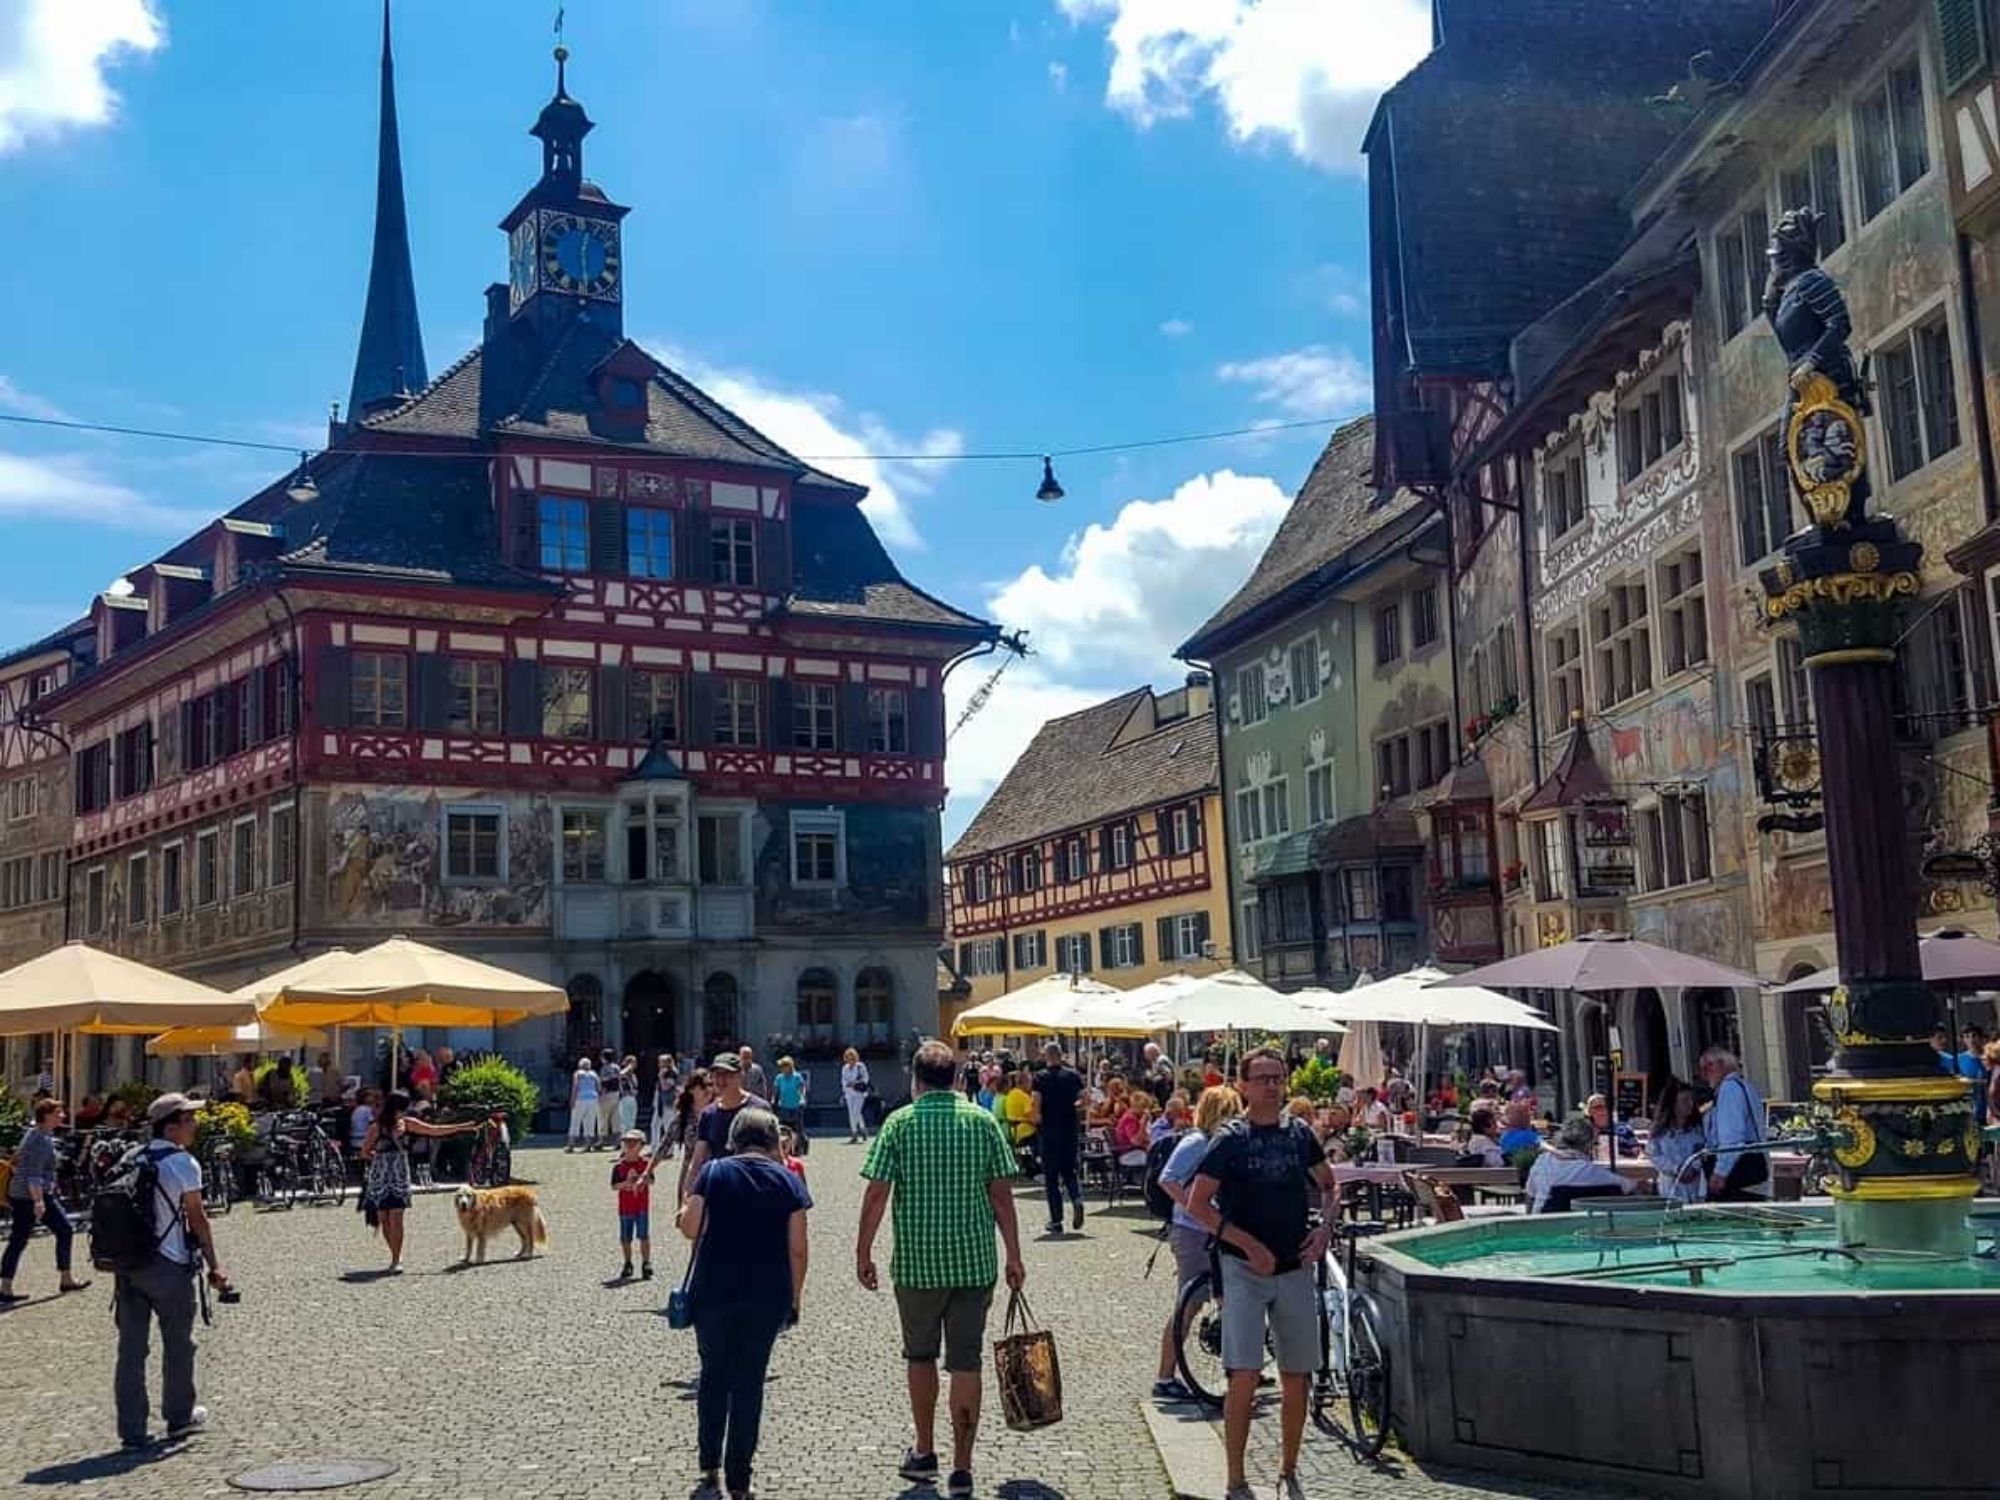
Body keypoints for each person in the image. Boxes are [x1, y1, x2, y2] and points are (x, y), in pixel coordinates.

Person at [857, 1040, 1024, 1499]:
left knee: (920, 1356)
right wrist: (1014, 1254)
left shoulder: (900, 1124)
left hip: (917, 1266)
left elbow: (876, 1194)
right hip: (973, 1264)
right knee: (966, 1362)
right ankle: (963, 1467)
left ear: (915, 1079)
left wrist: (863, 1252)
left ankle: (925, 1449)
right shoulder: (982, 1122)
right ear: (955, 1078)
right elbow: (1002, 1197)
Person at [1182, 1048, 1339, 1499]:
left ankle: (1288, 1468)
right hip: (1243, 1268)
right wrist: (1247, 1244)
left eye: (1278, 1077)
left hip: (1293, 1266)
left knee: (1297, 1374)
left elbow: (1330, 1184)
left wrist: (1324, 1229)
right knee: (1245, 1374)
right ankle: (1235, 1477)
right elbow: (1197, 1204)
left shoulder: (1300, 1134)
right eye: (1263, 1078)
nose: (1272, 1085)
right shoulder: (1230, 1139)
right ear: (1243, 1085)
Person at [682, 1107, 811, 1500]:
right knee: (750, 1382)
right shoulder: (788, 1181)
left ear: (733, 1140)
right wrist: (796, 1297)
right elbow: (798, 1249)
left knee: (713, 1375)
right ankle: (740, 1478)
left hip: (713, 1290)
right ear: (773, 1142)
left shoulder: (714, 1172)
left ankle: (709, 1463)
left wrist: (682, 1211)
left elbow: (690, 1227)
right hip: (766, 1294)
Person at [115, 1094, 231, 1448]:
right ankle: (179, 1417)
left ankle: (132, 1429)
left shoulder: (131, 1157)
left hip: (128, 1265)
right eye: (189, 1120)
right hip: (169, 1263)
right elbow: (198, 1218)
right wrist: (215, 1265)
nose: (194, 1126)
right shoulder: (183, 1163)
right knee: (179, 1344)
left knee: (131, 1350)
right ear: (171, 1127)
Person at [1152, 1084, 1242, 1401]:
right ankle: (1165, 1377)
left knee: (1231, 1298)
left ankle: (1240, 1368)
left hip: (1213, 1230)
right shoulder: (1197, 1141)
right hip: (1191, 1232)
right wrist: (1194, 1207)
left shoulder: (1218, 1143)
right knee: (1188, 1304)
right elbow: (1168, 1179)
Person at [359, 1089, 482, 1272]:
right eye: (403, 1108)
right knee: (384, 1219)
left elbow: (434, 1130)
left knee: (396, 1217)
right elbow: (364, 1152)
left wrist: (462, 1127)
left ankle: (396, 1260)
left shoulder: (407, 1123)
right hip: (381, 1177)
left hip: (400, 1176)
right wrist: (380, 1159)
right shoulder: (377, 1127)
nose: (405, 1111)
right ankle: (394, 1253)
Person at [1, 1097, 90, 1302]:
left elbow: (20, 1161)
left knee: (20, 1239)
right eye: (58, 1113)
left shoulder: (34, 1133)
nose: (62, 1116)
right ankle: (64, 1279)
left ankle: (6, 1285)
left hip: (22, 1193)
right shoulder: (40, 1140)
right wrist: (38, 1201)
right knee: (61, 1230)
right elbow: (34, 1174)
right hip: (30, 1195)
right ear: (46, 1116)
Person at [661, 1053, 769, 1202]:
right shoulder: (709, 1114)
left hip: (753, 1190)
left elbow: (774, 1155)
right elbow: (697, 1161)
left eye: (727, 1075)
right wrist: (687, 1196)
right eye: (717, 1075)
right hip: (719, 1192)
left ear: (740, 1075)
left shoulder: (759, 1108)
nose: (720, 1080)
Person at [1700, 1047, 1769, 1201]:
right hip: (1752, 1169)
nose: (1704, 1074)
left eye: (1708, 1066)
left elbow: (1732, 1136)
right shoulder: (1745, 1087)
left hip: (1735, 1175)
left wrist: (1720, 1172)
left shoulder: (1729, 1088)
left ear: (1722, 1064)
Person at [1526, 1116, 1635, 1213]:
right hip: (1587, 1225)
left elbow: (1530, 1196)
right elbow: (1628, 1186)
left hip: (1544, 1222)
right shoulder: (1591, 1172)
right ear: (1588, 1145)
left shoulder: (1543, 1161)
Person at [1031, 1042, 1086, 1234]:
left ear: (1046, 1056)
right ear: (1061, 1055)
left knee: (1052, 1177)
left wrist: (1035, 1118)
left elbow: (1036, 1102)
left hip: (1049, 1130)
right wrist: (1073, 1106)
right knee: (1070, 1170)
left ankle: (1056, 1220)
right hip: (1070, 1128)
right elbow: (1084, 1099)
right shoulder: (1073, 1075)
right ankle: (1077, 1199)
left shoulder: (1040, 1077)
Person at [1650, 1079, 1708, 1203]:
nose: (1690, 1104)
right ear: (1673, 1104)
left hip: (1695, 1189)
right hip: (1670, 1191)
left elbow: (1703, 1151)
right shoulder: (1660, 1132)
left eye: (1691, 1100)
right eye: (1685, 1100)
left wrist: (1693, 1168)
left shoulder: (1698, 1129)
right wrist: (1677, 1169)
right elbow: (1655, 1156)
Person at [663, 1070, 716, 1203]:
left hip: (714, 1172)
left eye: (711, 1085)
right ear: (692, 1089)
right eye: (703, 1085)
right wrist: (647, 1172)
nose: (708, 1089)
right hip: (689, 1175)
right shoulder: (683, 1118)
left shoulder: (719, 1113)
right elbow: (665, 1144)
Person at [611, 1129, 653, 1281]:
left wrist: (641, 1179)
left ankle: (646, 1263)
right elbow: (614, 1185)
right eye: (627, 1142)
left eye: (633, 1142)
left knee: (644, 1235)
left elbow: (651, 1180)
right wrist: (626, 1183)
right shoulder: (619, 1166)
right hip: (625, 1207)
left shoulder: (646, 1164)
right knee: (625, 1237)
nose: (629, 1145)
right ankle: (627, 1262)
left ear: (641, 1145)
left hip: (641, 1206)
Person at [772, 1056, 810, 1150]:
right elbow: (776, 1091)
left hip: (796, 1106)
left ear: (789, 1066)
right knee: (784, 1129)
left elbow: (802, 1089)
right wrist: (773, 1099)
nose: (781, 1068)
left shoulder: (797, 1077)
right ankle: (785, 1147)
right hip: (783, 1106)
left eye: (783, 1066)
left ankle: (801, 1146)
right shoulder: (779, 1078)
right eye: (781, 1067)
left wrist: (802, 1099)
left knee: (798, 1129)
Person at [1585, 1093, 1639, 1158]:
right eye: (1597, 1107)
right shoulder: (1584, 1132)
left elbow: (1636, 1152)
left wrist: (1620, 1152)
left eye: (1605, 1106)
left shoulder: (1625, 1129)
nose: (1601, 1110)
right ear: (1589, 1111)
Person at [568, 1056, 602, 1152]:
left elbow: (575, 1087)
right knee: (590, 1122)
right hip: (593, 1099)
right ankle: (588, 1144)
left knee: (575, 1121)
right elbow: (599, 1087)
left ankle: (571, 1144)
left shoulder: (578, 1073)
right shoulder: (594, 1074)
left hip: (581, 1098)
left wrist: (572, 1100)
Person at [650, 1053, 681, 1155]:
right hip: (660, 1103)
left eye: (661, 1062)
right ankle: (654, 1147)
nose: (659, 1064)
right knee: (655, 1125)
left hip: (668, 1103)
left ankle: (669, 1149)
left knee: (668, 1126)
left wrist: (661, 1077)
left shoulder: (671, 1073)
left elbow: (666, 1087)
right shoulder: (663, 1073)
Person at [840, 1047, 873, 1143]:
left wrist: (855, 1083)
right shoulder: (845, 1068)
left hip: (859, 1093)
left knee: (856, 1112)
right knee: (852, 1113)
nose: (850, 1059)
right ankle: (858, 1131)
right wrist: (846, 1088)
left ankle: (857, 1132)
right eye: (848, 1057)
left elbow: (866, 1078)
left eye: (852, 1057)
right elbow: (844, 1081)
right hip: (849, 1094)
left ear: (855, 1057)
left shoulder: (860, 1066)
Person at [598, 1053, 624, 1144]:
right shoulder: (617, 1067)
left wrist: (601, 1094)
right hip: (616, 1094)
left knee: (603, 1117)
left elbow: (603, 1082)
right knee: (616, 1118)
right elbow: (619, 1080)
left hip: (607, 1094)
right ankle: (618, 1141)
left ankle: (602, 1140)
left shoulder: (604, 1068)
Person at [349, 1088, 379, 1155]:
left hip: (354, 1139)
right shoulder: (366, 1109)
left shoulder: (357, 1109)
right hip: (362, 1139)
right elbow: (373, 1124)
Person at [618, 1054, 641, 1137]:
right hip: (625, 1098)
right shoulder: (623, 1073)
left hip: (633, 1098)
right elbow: (621, 1075)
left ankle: (630, 1138)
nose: (635, 1065)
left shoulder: (633, 1075)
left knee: (632, 1122)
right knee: (625, 1122)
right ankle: (624, 1139)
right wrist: (628, 1067)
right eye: (633, 1063)